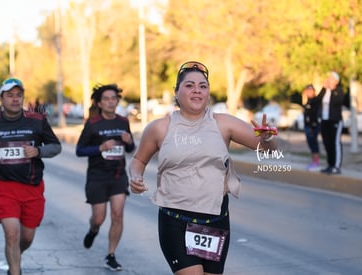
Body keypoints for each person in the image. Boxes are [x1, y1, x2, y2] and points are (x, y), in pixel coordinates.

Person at [129, 61, 278, 275]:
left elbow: (268, 150)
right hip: (176, 220)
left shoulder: (223, 123)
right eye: (189, 85)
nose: (197, 90)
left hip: (215, 220)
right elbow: (138, 160)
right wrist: (135, 177)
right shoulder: (159, 128)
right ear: (176, 92)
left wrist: (267, 139)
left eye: (203, 86)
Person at [0, 77, 62, 275]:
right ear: (2, 98)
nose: (15, 99)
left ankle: (15, 254)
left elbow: (56, 146)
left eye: (19, 95)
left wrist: (39, 152)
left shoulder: (37, 121)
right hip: (3, 187)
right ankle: (14, 271)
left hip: (32, 187)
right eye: (10, 95)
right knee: (12, 234)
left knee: (26, 237)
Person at [76, 83, 135, 271]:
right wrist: (99, 148)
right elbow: (79, 150)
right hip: (97, 177)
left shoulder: (123, 121)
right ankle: (93, 229)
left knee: (117, 215)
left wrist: (129, 142)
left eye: (113, 99)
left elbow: (130, 149)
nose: (111, 102)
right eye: (106, 99)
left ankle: (111, 255)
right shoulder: (93, 124)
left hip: (118, 175)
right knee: (99, 218)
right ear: (100, 104)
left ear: (117, 101)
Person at [316, 72, 345, 174]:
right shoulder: (325, 91)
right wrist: (324, 88)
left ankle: (336, 166)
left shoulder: (339, 91)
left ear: (336, 81)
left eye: (332, 78)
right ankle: (330, 164)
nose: (329, 80)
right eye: (329, 78)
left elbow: (337, 102)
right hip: (324, 120)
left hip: (335, 121)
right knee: (327, 143)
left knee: (335, 143)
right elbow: (317, 100)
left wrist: (332, 89)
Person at [302, 84, 321, 171]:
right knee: (310, 143)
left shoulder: (316, 101)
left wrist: (314, 125)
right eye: (307, 91)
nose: (308, 92)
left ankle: (316, 162)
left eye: (310, 90)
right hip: (307, 126)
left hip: (313, 126)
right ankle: (313, 161)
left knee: (314, 144)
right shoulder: (307, 101)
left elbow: (315, 114)